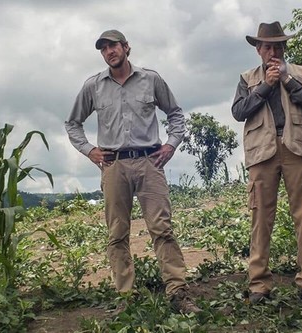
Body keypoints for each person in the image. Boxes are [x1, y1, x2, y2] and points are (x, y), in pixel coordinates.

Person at [64, 29, 200, 314]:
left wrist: (171, 145)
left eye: (113, 46)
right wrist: (89, 150)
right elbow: (72, 123)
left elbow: (175, 113)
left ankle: (178, 292)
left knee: (162, 228)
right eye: (103, 49)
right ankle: (126, 297)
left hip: (149, 162)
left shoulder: (150, 79)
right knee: (117, 233)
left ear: (126, 47)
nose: (108, 52)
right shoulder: (94, 86)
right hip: (114, 166)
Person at [231, 21, 302, 307]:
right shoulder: (247, 78)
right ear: (258, 49)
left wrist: (285, 80)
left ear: (284, 47)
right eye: (267, 46)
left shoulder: (301, 73)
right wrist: (265, 86)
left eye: (277, 46)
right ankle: (259, 284)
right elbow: (238, 112)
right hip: (262, 152)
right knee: (260, 218)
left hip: (297, 148)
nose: (272, 51)